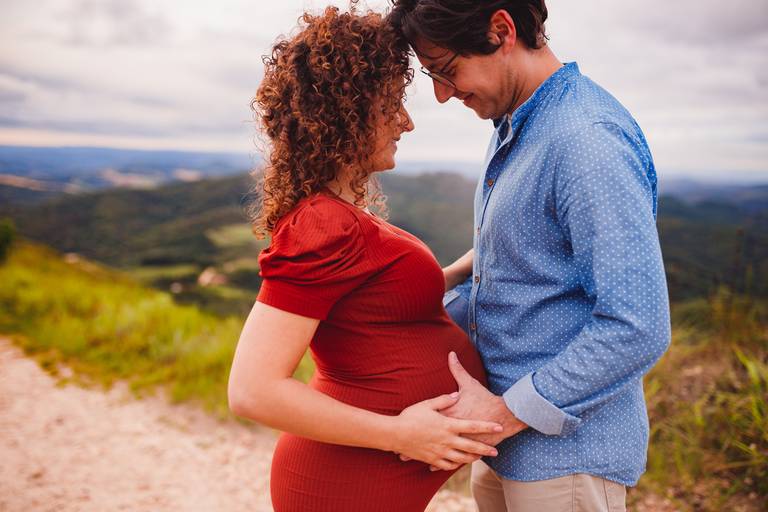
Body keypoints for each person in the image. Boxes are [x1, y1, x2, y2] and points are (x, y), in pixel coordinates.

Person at [389, 1, 672, 511]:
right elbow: (525, 247)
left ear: (502, 30)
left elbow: (637, 325)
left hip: (565, 460)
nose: (442, 94)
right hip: (505, 447)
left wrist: (503, 414)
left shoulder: (586, 140)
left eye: (448, 70)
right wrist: (432, 283)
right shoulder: (519, 123)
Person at [227, 7, 504, 512]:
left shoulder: (339, 215)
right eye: (391, 105)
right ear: (346, 110)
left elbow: (376, 307)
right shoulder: (322, 224)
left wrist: (464, 267)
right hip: (344, 484)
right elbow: (252, 390)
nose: (407, 122)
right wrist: (400, 434)